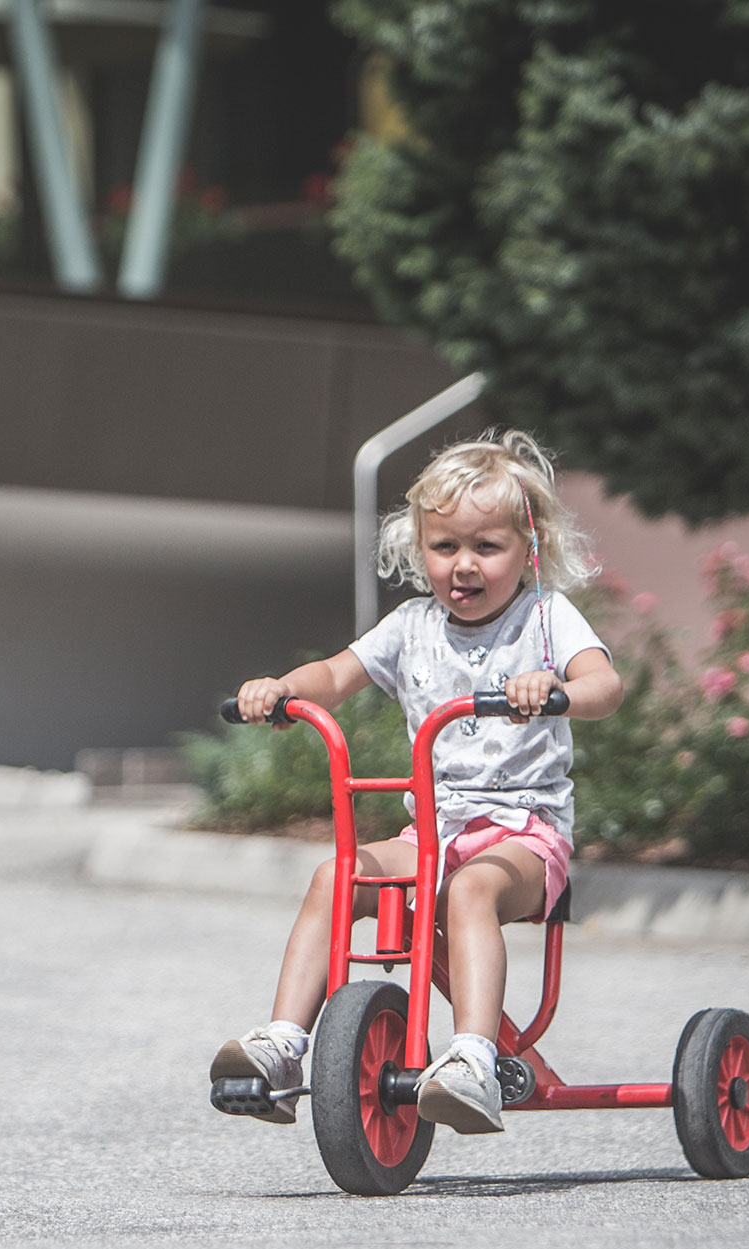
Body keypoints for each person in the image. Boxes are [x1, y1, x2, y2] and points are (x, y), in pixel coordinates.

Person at [214, 431, 623, 1134]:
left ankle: (472, 1060)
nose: (463, 566)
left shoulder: (546, 618)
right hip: (434, 833)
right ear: (419, 547)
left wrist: (554, 687)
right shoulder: (412, 625)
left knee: (468, 892)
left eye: (486, 548)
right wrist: (281, 689)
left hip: (524, 838)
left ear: (528, 547)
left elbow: (605, 684)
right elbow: (337, 675)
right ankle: (285, 1045)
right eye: (445, 547)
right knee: (336, 876)